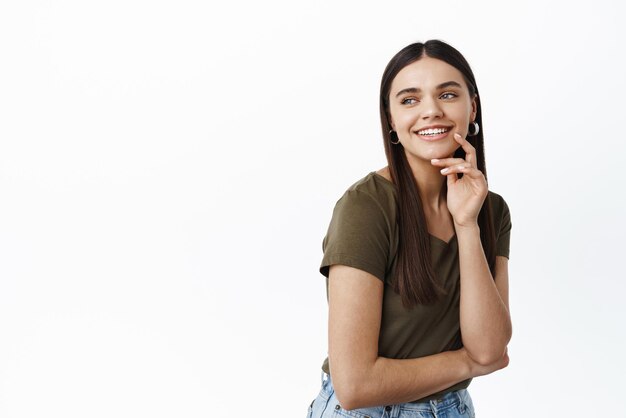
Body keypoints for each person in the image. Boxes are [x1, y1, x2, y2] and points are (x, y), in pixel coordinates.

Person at [306, 40, 512, 418]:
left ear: (473, 106)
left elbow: (489, 348)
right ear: (391, 120)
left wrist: (466, 224)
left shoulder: (490, 208)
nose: (431, 111)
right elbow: (354, 386)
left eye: (448, 94)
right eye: (410, 100)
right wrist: (466, 365)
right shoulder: (366, 207)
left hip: (452, 408)